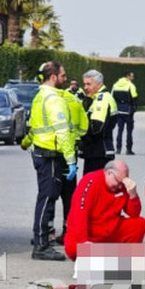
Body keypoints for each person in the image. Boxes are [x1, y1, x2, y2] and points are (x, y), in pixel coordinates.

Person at [21, 60, 74, 260]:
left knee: (44, 197)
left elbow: (34, 127)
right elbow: (62, 131)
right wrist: (71, 159)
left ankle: (41, 241)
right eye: (63, 75)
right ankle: (41, 245)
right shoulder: (54, 100)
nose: (65, 79)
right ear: (53, 77)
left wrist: (26, 142)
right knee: (47, 199)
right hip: (51, 155)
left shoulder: (39, 97)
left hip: (41, 153)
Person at [64, 159, 145, 261]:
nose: (120, 186)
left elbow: (134, 214)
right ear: (109, 173)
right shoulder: (90, 181)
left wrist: (133, 195)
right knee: (73, 248)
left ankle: (123, 258)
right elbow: (80, 214)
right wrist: (83, 241)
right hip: (91, 232)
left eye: (123, 182)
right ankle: (107, 254)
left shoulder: (122, 186)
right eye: (118, 182)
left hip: (111, 230)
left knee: (140, 224)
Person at [57, 81, 89, 243]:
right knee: (69, 195)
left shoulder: (47, 100)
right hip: (72, 152)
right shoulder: (76, 101)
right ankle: (68, 230)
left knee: (48, 194)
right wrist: (77, 137)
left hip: (53, 152)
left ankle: (46, 230)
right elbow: (84, 127)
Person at [79, 69, 117, 174]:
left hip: (98, 153)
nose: (85, 87)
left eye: (89, 84)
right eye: (84, 84)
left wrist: (80, 133)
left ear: (99, 84)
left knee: (92, 187)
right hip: (98, 152)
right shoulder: (96, 98)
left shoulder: (102, 99)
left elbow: (96, 127)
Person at [111, 71, 137, 154]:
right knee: (129, 131)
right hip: (128, 111)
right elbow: (134, 98)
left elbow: (112, 97)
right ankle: (128, 149)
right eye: (132, 76)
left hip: (119, 110)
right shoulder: (130, 85)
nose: (133, 78)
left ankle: (118, 149)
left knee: (119, 130)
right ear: (128, 76)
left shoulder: (115, 85)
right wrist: (134, 108)